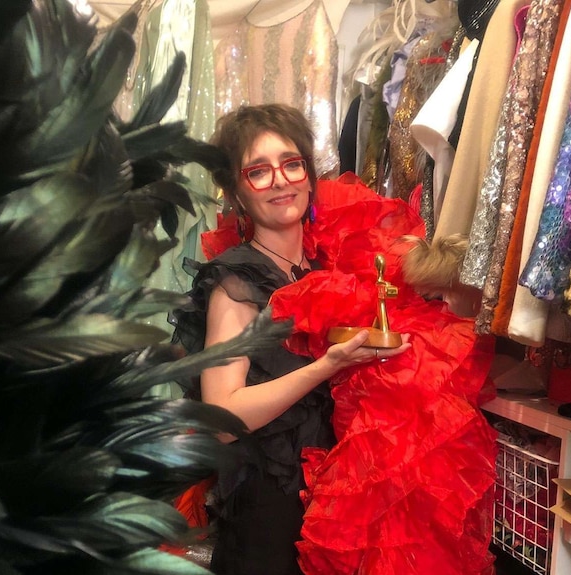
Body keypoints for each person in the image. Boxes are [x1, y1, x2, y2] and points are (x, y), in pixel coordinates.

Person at [170, 103, 411, 575]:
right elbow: (223, 417)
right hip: (268, 513)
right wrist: (328, 365)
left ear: (308, 177)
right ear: (237, 192)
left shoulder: (321, 273)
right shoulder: (236, 282)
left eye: (291, 163)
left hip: (323, 500)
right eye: (258, 171)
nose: (280, 180)